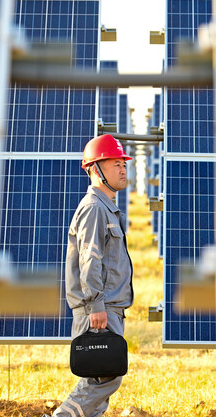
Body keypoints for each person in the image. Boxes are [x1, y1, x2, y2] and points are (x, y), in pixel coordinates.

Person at [51, 134, 134, 417]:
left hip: (109, 307)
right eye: (115, 164)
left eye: (123, 163)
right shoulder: (94, 208)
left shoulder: (107, 208)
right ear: (96, 170)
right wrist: (96, 306)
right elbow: (90, 259)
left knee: (100, 378)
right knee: (107, 376)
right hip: (98, 308)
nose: (123, 169)